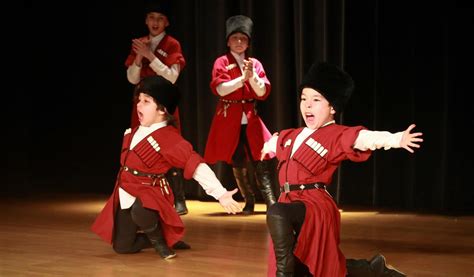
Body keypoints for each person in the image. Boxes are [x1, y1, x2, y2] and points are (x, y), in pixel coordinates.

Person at [261, 62, 420, 276]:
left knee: (277, 213)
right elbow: (272, 143)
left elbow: (365, 139)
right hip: (289, 202)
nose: (307, 105)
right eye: (304, 99)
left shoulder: (336, 134)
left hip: (314, 204)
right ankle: (374, 269)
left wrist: (398, 139)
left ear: (332, 107)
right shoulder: (290, 135)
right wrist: (266, 147)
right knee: (317, 267)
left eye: (316, 100)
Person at [91, 75, 242, 260]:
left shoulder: (170, 138)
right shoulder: (133, 131)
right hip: (125, 191)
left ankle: (160, 243)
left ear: (162, 110)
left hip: (150, 193)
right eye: (139, 100)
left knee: (142, 207)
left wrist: (220, 193)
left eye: (146, 101)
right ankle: (165, 237)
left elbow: (194, 164)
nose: (139, 105)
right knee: (123, 247)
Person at [204, 15, 277, 214]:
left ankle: (271, 201)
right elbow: (219, 89)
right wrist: (240, 80)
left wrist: (251, 76)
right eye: (235, 38)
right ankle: (249, 200)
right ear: (228, 41)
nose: (239, 42)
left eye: (243, 38)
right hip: (229, 119)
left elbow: (262, 92)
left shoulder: (255, 64)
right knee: (237, 160)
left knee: (260, 159)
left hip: (251, 118)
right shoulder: (222, 61)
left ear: (248, 43)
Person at [124, 0, 189, 215]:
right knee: (141, 148)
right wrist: (140, 56)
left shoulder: (172, 44)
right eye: (151, 17)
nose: (155, 22)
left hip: (163, 107)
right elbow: (132, 79)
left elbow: (171, 77)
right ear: (146, 20)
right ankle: (144, 195)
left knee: (169, 150)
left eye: (160, 18)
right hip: (143, 105)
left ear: (167, 22)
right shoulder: (140, 43)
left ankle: (179, 199)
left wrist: (151, 56)